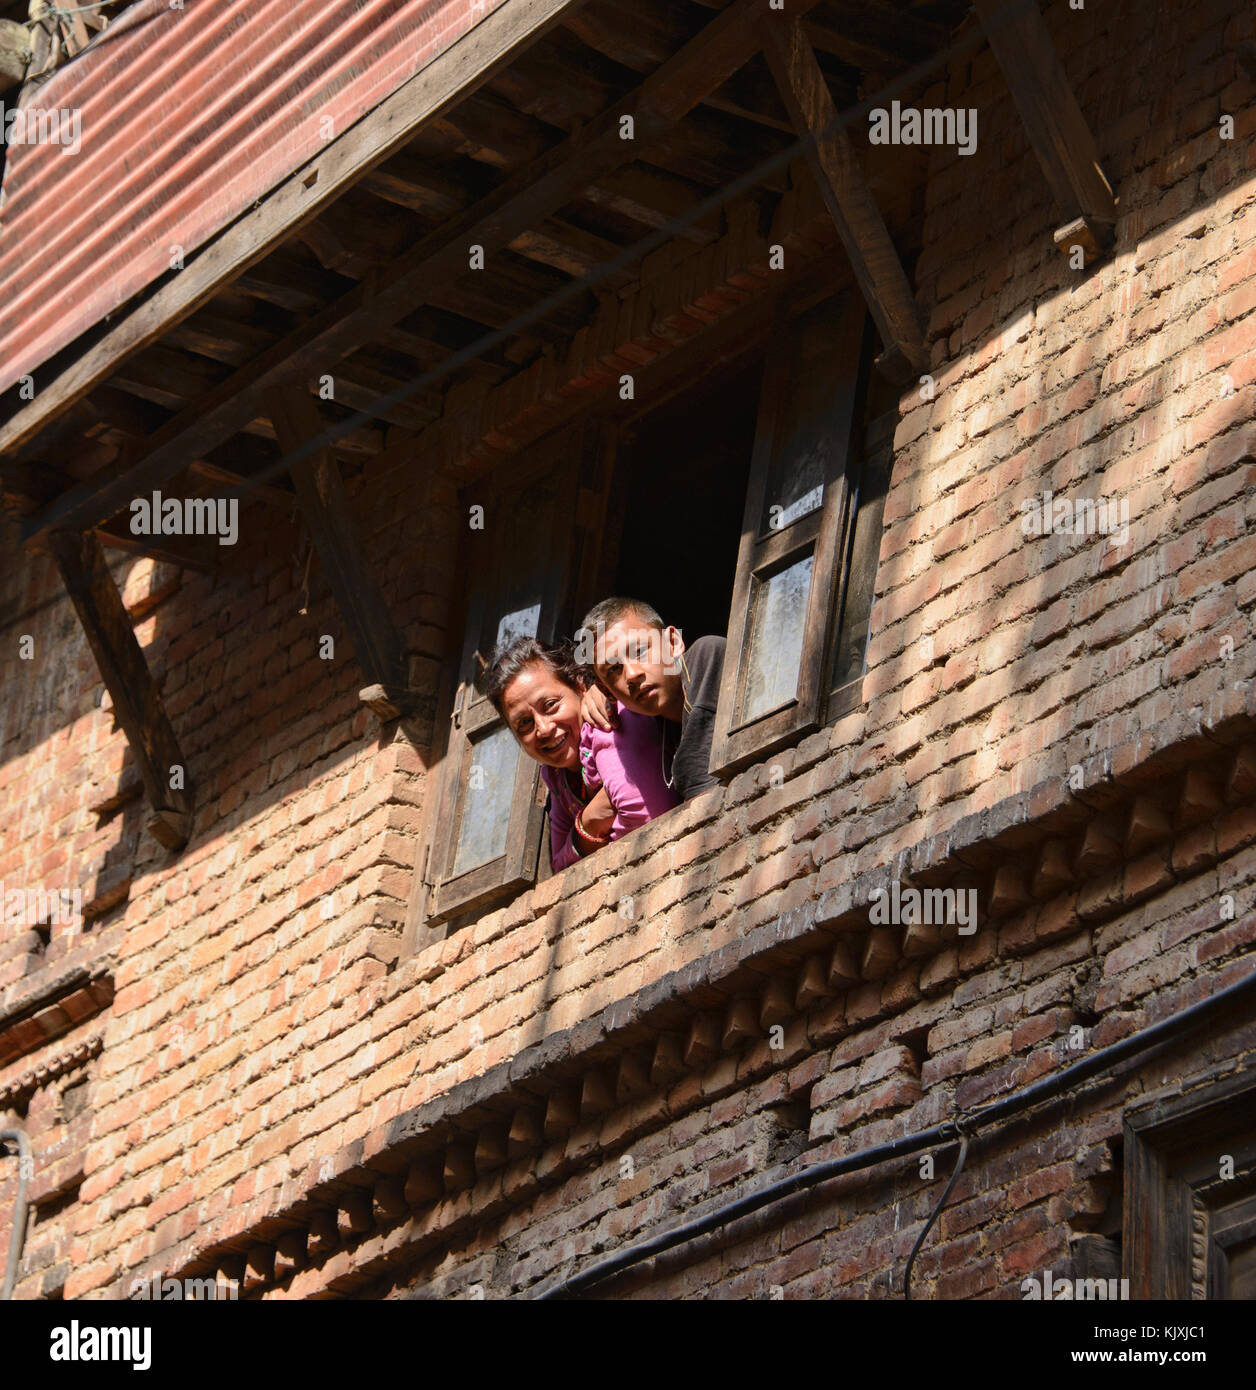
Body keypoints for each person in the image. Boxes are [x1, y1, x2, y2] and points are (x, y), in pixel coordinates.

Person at [485, 636, 679, 871]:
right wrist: (589, 822)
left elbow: (645, 816)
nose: (543, 729)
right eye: (524, 723)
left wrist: (587, 847)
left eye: (550, 705)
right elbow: (559, 865)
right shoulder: (558, 777)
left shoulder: (607, 722)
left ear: (579, 687)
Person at [576, 596, 726, 802]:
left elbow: (698, 778)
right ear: (608, 692)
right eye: (614, 669)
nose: (631, 674)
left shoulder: (706, 655)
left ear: (672, 643)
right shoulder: (656, 727)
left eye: (639, 651)